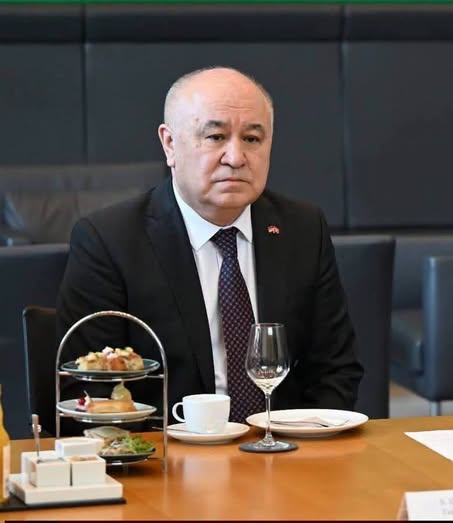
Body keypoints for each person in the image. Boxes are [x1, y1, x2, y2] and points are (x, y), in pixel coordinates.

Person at [57, 67, 363, 423]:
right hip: (167, 448)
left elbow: (335, 369)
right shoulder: (110, 241)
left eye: (252, 139)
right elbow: (89, 390)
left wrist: (306, 442)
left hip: (283, 447)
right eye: (216, 137)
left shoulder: (302, 228)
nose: (236, 157)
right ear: (170, 144)